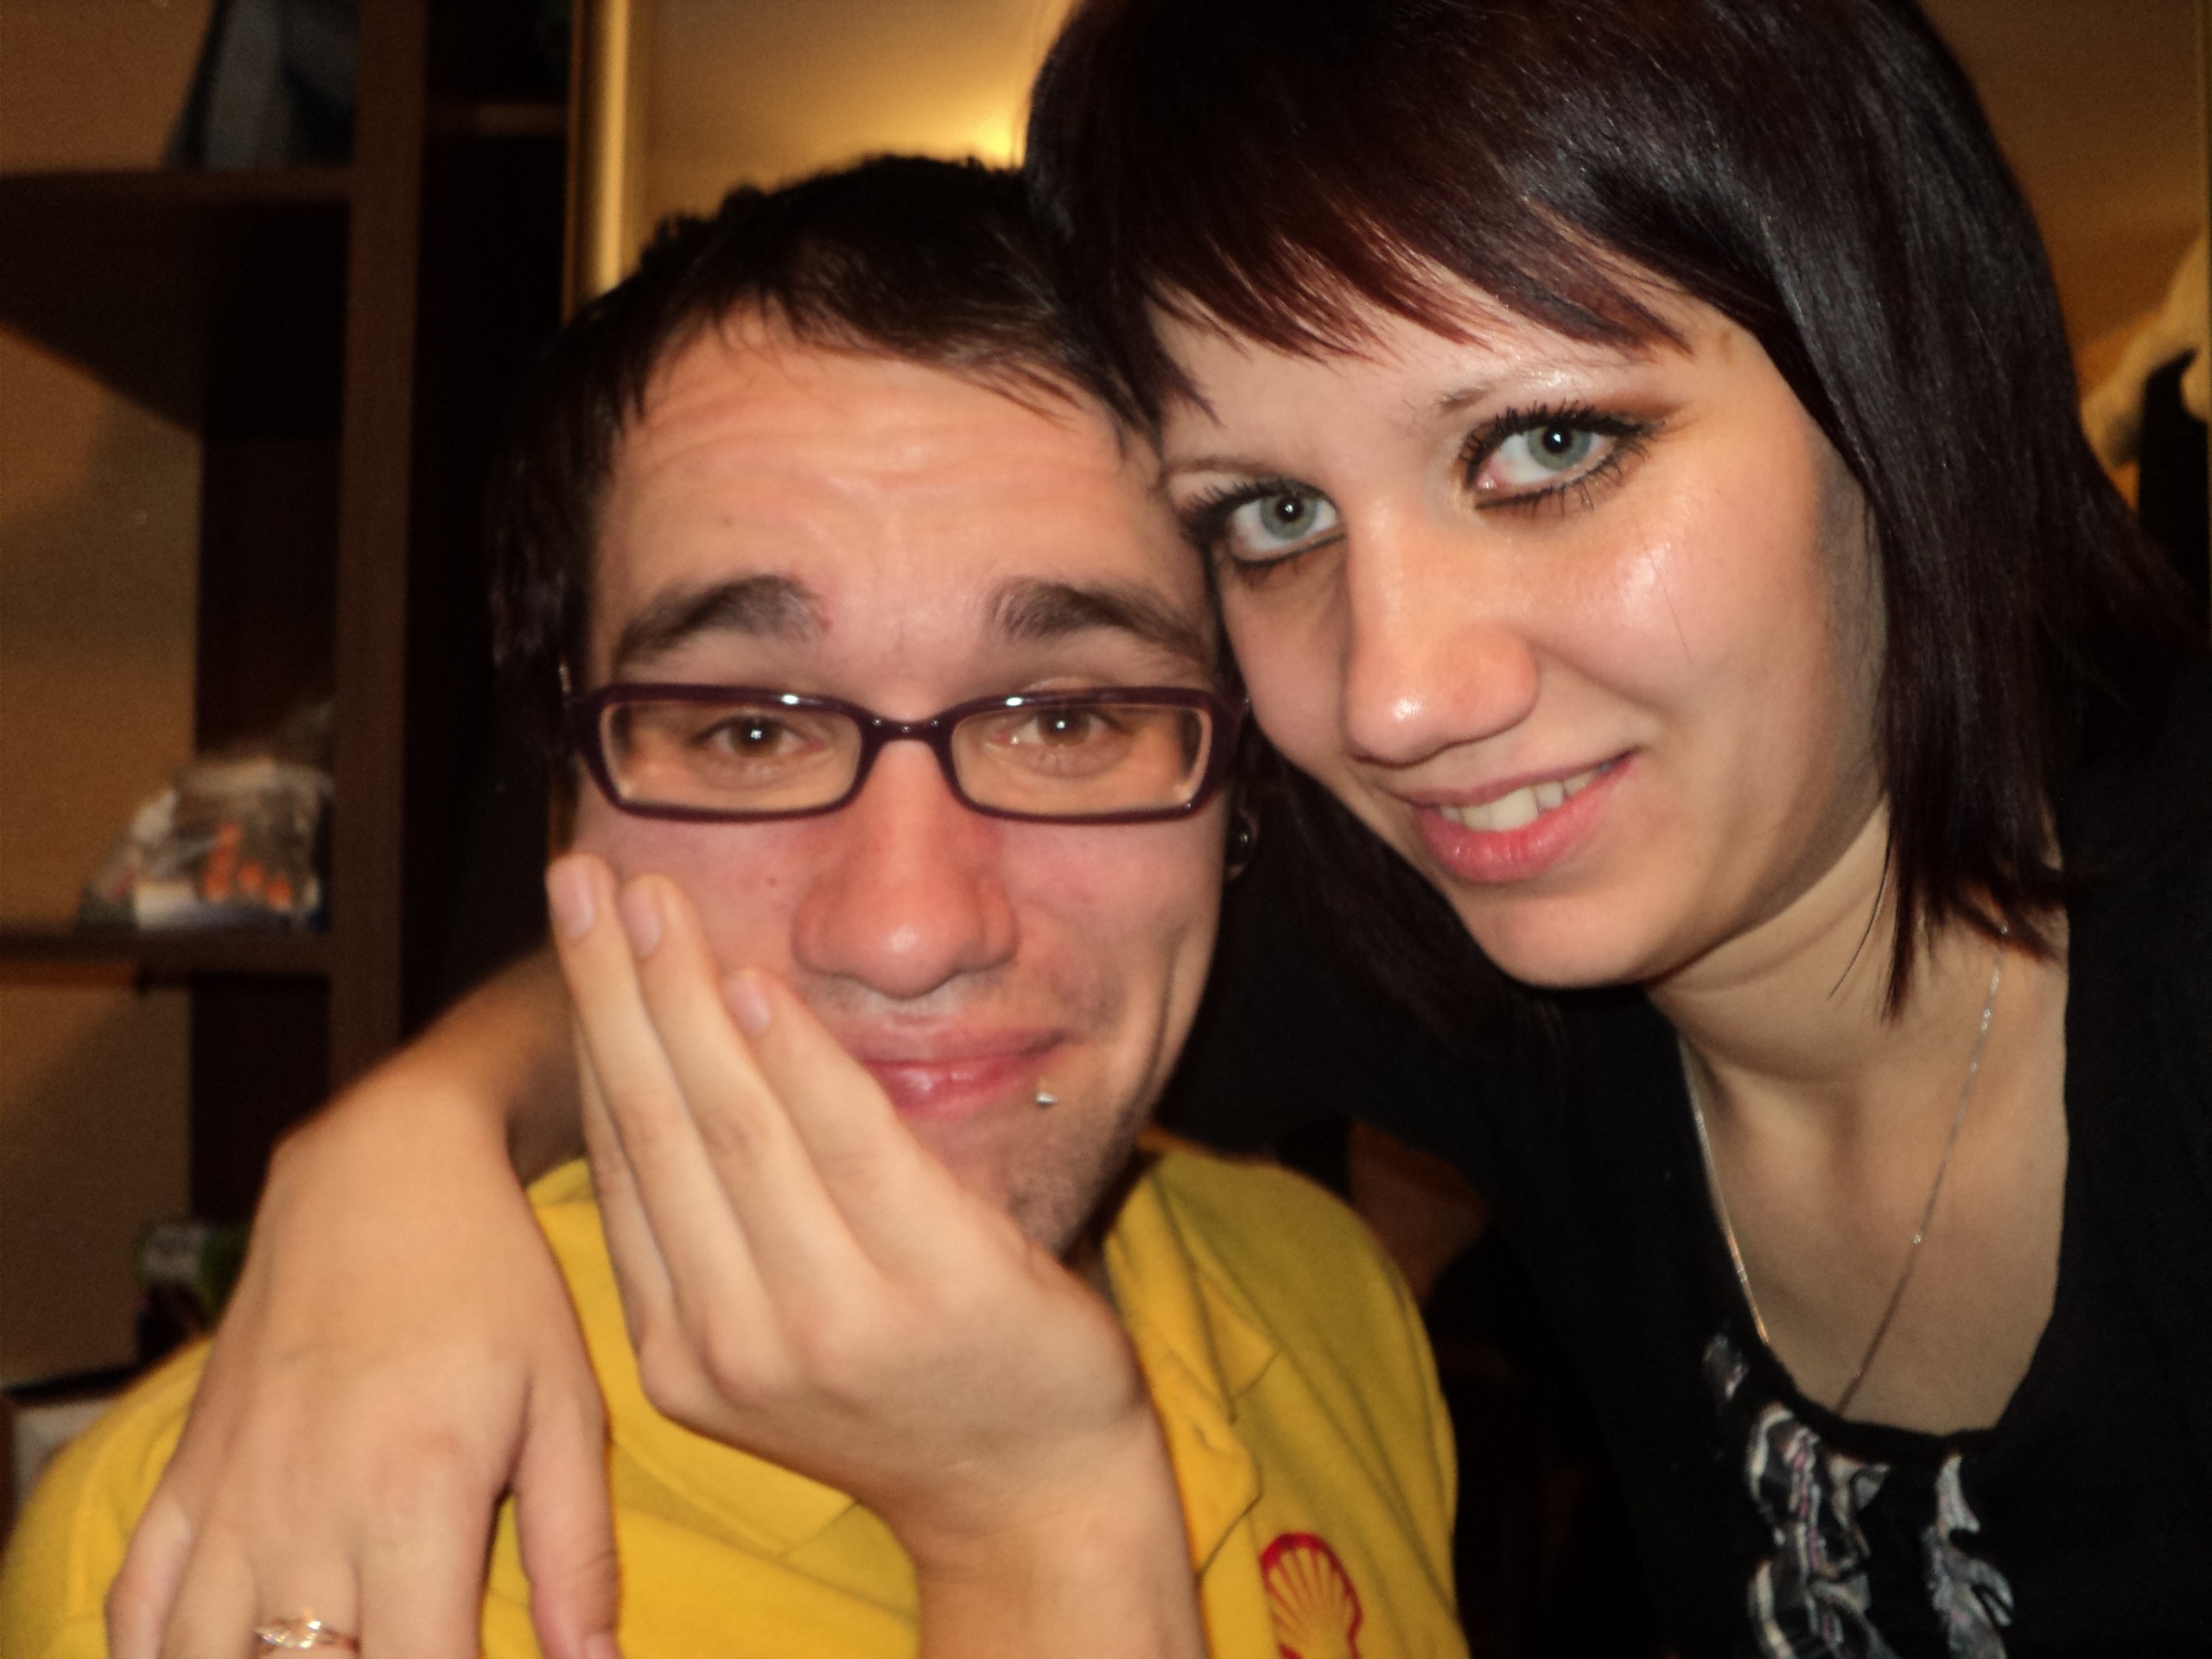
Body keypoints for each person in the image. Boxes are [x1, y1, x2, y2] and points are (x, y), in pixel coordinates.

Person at [51, 0, 2212, 1653]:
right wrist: (402, 1145)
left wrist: (1038, 1532)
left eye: (1547, 445)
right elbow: (879, 947)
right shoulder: (1453, 947)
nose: (1391, 696)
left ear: (1897, 360)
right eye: (1269, 516)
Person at [0, 157, 1468, 1659]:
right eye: (752, 734)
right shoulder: (235, 1540)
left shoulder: (1326, 1299)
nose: (909, 930)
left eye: (1066, 721)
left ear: (1241, 779)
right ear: (570, 800)